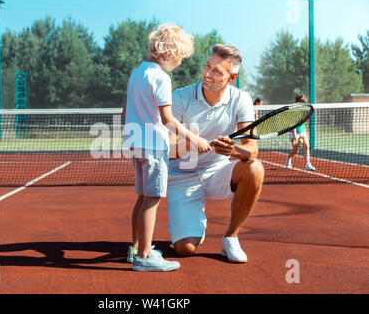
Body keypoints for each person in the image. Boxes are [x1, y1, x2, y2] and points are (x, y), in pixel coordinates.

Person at [122, 24, 211, 271]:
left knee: (142, 199)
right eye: (180, 57)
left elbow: (125, 112)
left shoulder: (137, 73)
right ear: (170, 52)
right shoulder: (161, 77)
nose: (180, 62)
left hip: (137, 145)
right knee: (152, 199)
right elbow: (168, 119)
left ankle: (136, 250)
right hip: (153, 148)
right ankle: (144, 257)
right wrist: (196, 141)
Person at [167, 44, 264, 263]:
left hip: (218, 172)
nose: (208, 74)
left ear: (232, 77)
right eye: (208, 66)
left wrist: (235, 150)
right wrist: (191, 145)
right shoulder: (181, 97)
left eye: (217, 71)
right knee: (185, 249)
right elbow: (166, 149)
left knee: (254, 167)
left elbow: (252, 148)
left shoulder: (242, 99)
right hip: (183, 176)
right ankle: (192, 226)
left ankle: (231, 237)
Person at [286, 94, 315, 171]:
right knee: (296, 150)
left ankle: (307, 164)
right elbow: (292, 124)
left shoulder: (305, 110)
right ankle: (289, 158)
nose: (304, 104)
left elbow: (305, 122)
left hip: (302, 132)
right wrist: (295, 136)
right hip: (294, 132)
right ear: (298, 102)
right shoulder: (293, 111)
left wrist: (306, 132)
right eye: (302, 102)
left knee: (306, 147)